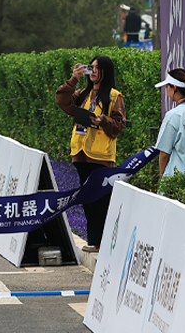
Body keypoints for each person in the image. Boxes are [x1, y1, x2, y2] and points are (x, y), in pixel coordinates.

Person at [55, 55, 125, 253]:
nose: (92, 72)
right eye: (90, 68)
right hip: (81, 154)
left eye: (96, 68)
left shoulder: (114, 96)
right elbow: (61, 100)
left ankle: (101, 243)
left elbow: (119, 125)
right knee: (88, 200)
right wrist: (73, 78)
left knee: (101, 201)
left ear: (106, 71)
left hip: (101, 157)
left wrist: (102, 120)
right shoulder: (83, 93)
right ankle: (94, 240)